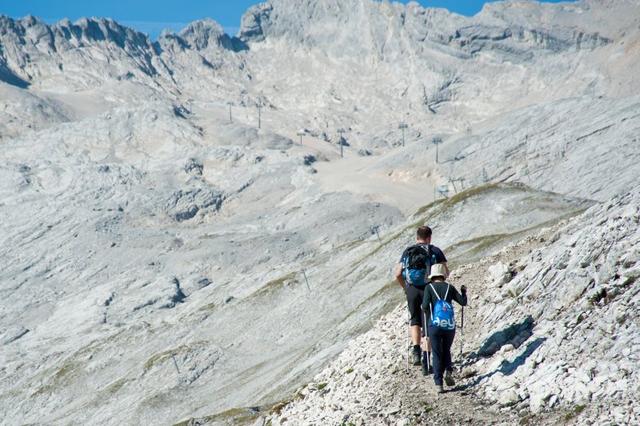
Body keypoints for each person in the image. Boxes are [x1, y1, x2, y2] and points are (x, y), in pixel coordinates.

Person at [394, 226, 448, 369]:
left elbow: (398, 273)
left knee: (415, 320)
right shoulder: (435, 251)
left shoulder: (408, 251)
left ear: (417, 237)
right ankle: (426, 360)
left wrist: (406, 288)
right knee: (428, 323)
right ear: (429, 237)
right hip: (428, 289)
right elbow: (445, 272)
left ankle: (416, 351)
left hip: (411, 289)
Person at [422, 263, 467, 393]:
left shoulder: (429, 288)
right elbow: (463, 302)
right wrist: (464, 292)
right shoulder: (450, 287)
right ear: (443, 275)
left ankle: (438, 384)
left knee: (436, 353)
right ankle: (448, 370)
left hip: (434, 325)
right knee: (446, 349)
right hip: (449, 325)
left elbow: (425, 306)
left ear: (433, 276)